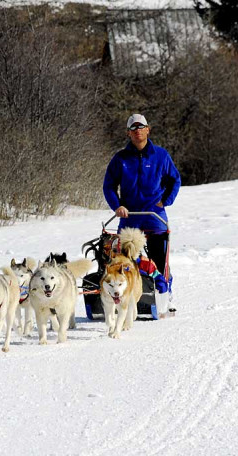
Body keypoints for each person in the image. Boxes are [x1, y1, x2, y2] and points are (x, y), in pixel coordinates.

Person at [103, 113, 181, 313]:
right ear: (128, 133)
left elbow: (175, 180)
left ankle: (165, 296)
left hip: (154, 218)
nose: (138, 131)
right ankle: (126, 297)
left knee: (158, 261)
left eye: (141, 127)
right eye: (133, 128)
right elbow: (109, 186)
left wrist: (165, 201)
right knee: (125, 263)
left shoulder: (161, 155)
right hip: (129, 218)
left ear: (148, 129)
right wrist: (117, 206)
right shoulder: (120, 159)